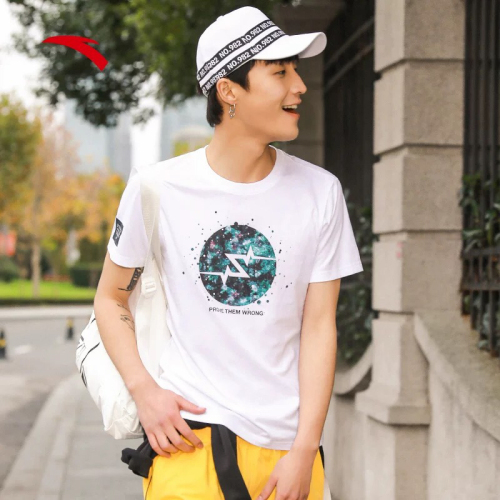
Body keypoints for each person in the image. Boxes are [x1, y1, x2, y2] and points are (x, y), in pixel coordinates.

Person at [94, 5, 364, 500]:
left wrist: (306, 449)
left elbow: (319, 326)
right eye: (279, 72)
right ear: (228, 91)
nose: (299, 86)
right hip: (187, 446)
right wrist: (144, 391)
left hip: (286, 458)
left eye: (295, 70)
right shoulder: (157, 189)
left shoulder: (320, 192)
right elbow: (111, 297)